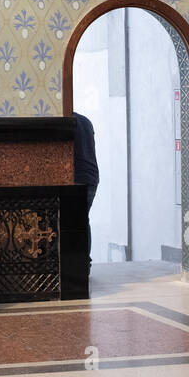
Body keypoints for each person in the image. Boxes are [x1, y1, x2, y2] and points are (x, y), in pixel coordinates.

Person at [72, 112, 100, 266]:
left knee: (75, 223)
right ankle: (84, 261)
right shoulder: (85, 120)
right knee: (83, 220)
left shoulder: (69, 121)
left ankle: (81, 262)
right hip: (91, 176)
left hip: (77, 177)